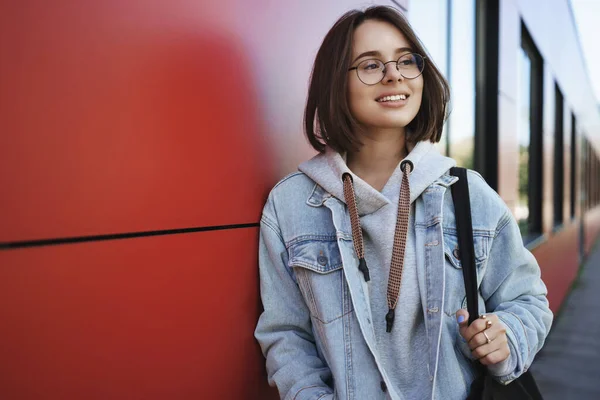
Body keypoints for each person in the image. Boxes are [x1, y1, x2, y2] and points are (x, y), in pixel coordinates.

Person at [254, 6, 552, 400]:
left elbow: (528, 301)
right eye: (370, 64)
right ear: (334, 83)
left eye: (406, 61)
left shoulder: (466, 194)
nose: (394, 74)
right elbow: (285, 335)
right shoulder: (290, 205)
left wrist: (505, 337)